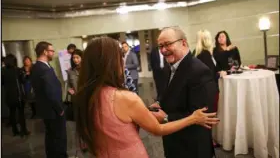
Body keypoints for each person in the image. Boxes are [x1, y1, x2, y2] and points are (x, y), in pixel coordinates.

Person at [75, 36, 219, 158]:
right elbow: (157, 129)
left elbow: (114, 121)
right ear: (110, 63)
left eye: (167, 44)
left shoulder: (85, 96)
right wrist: (192, 118)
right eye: (120, 58)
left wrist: (145, 112)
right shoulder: (125, 98)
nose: (123, 62)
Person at [150, 26, 218, 158]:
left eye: (168, 44)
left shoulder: (199, 71)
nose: (163, 50)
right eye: (160, 46)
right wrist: (160, 103)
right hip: (174, 141)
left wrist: (166, 118)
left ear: (184, 43)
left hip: (191, 146)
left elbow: (203, 114)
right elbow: (171, 94)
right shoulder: (170, 66)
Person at [30, 41, 67, 158]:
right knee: (58, 137)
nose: (53, 53)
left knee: (51, 136)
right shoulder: (44, 69)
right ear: (45, 52)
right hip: (53, 110)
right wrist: (60, 109)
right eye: (51, 51)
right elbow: (51, 92)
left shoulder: (36, 67)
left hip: (46, 110)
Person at [193, 30, 227, 147]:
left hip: (204, 90)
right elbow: (209, 74)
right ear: (206, 40)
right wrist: (219, 74)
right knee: (210, 115)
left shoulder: (199, 53)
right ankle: (208, 141)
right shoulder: (205, 54)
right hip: (208, 90)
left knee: (207, 114)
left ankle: (207, 139)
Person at [2, 54, 30, 137]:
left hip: (8, 96)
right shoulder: (17, 70)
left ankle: (15, 131)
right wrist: (26, 75)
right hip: (18, 95)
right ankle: (23, 131)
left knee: (12, 113)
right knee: (21, 113)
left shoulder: (2, 71)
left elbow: (2, 83)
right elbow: (23, 81)